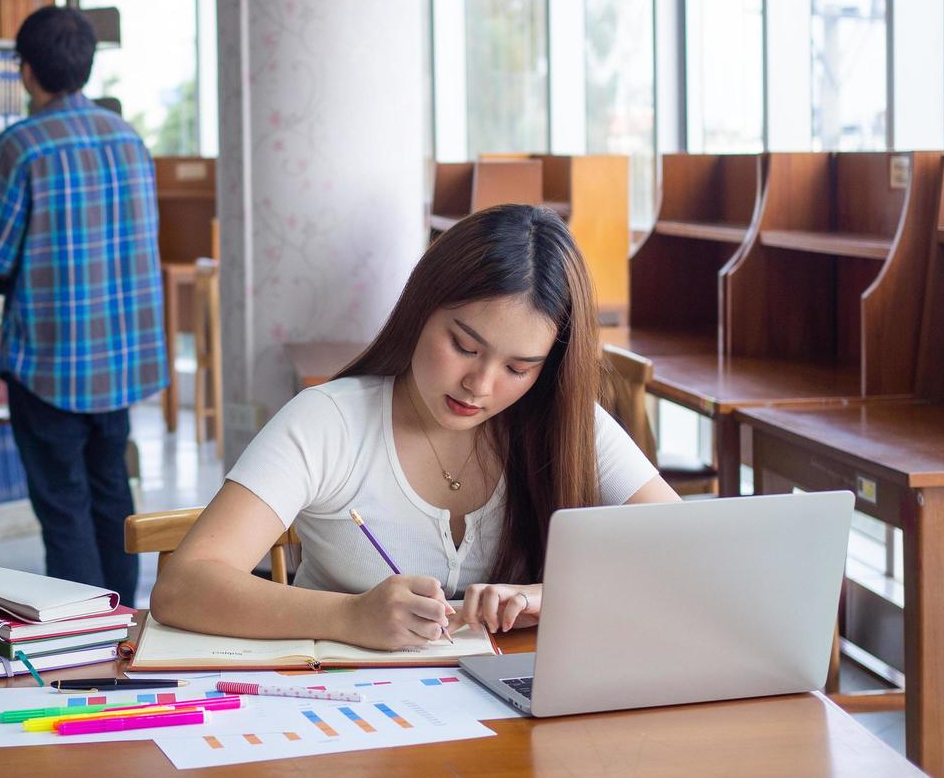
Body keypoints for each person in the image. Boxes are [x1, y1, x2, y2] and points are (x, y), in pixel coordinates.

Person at [151, 204, 679, 650]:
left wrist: (549, 594)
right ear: (421, 308)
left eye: (518, 368)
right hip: (346, 715)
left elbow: (686, 552)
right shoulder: (328, 422)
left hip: (510, 721)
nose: (480, 383)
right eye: (465, 347)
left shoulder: (564, 423)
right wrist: (349, 616)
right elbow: (183, 586)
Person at [0, 6, 166, 604]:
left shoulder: (23, 145)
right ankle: (123, 623)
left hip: (49, 363)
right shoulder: (128, 138)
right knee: (112, 491)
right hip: (120, 359)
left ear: (25, 71)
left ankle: (78, 634)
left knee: (63, 504)